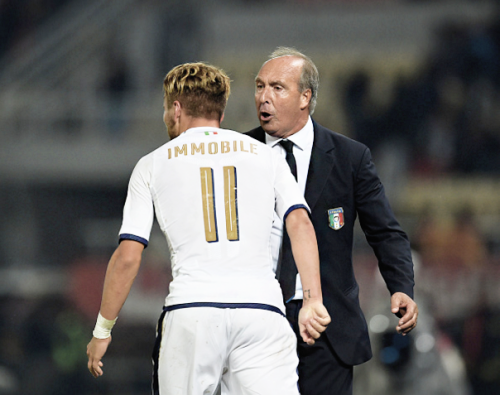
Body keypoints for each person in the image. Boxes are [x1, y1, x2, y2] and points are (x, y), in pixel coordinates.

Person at [86, 62, 331, 395]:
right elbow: (300, 222)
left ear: (176, 108)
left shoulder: (153, 164)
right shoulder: (267, 155)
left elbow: (129, 257)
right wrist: (312, 300)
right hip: (261, 311)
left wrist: (103, 330)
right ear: (221, 111)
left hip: (193, 311)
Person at [246, 47, 419, 395]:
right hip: (256, 319)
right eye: (260, 86)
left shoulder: (350, 158)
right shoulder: (240, 153)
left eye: (277, 88)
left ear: (305, 97)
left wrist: (401, 284)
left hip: (327, 326)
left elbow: (385, 231)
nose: (264, 97)